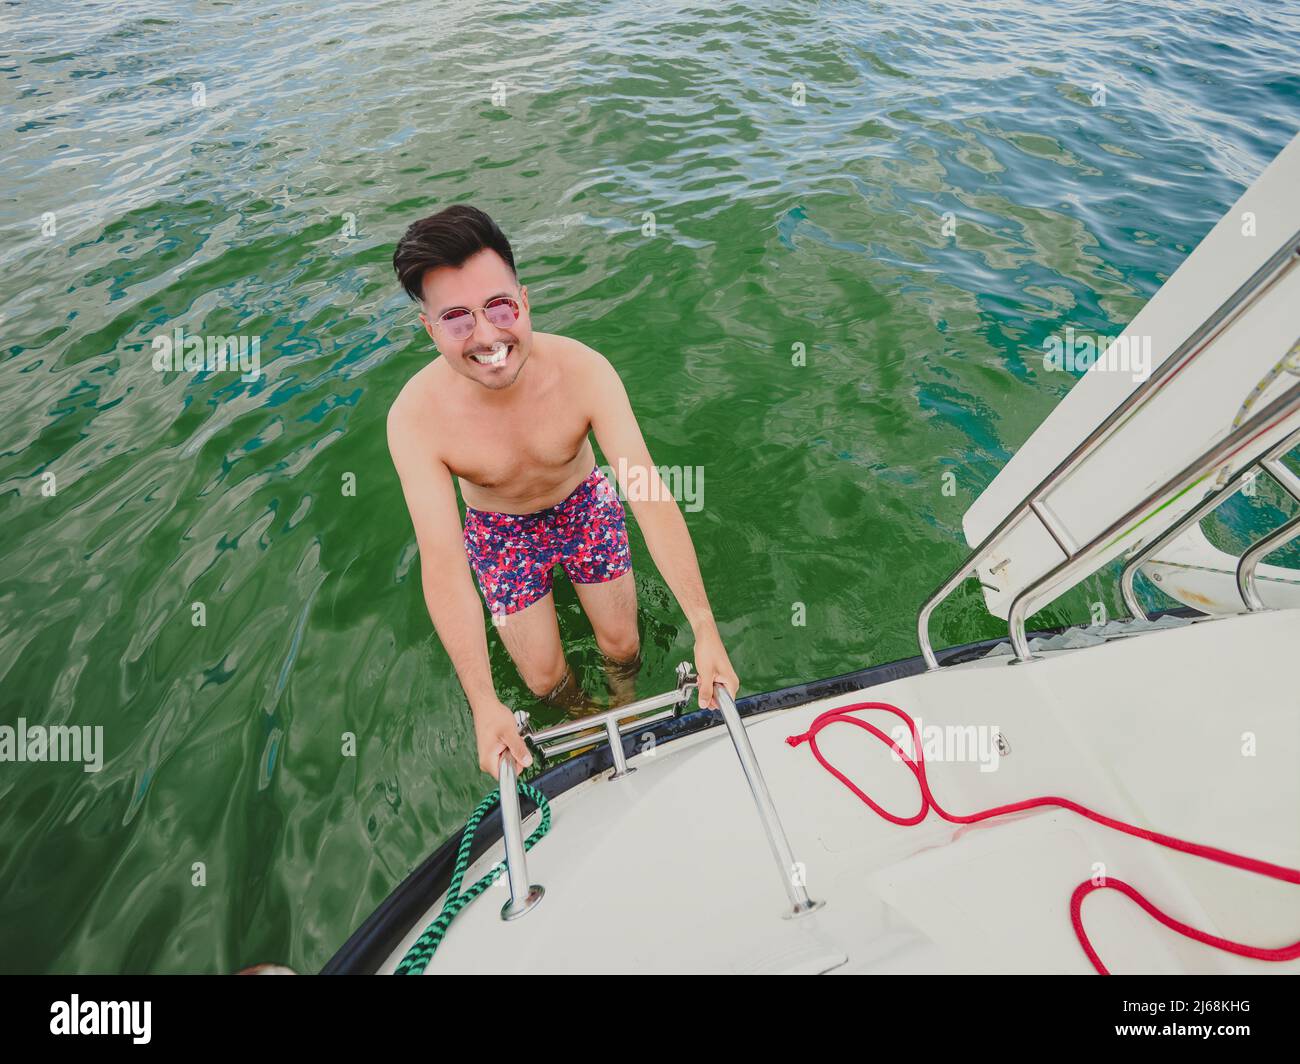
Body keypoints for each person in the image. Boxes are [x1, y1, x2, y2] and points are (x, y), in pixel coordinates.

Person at [386, 205, 740, 779]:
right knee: (544, 679)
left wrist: (704, 626)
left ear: (524, 301)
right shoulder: (414, 418)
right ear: (431, 331)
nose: (487, 335)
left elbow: (648, 494)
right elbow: (445, 563)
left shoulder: (585, 371)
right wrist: (483, 703)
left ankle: (623, 711)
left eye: (498, 306)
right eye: (457, 319)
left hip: (583, 505)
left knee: (623, 645)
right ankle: (582, 717)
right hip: (500, 530)